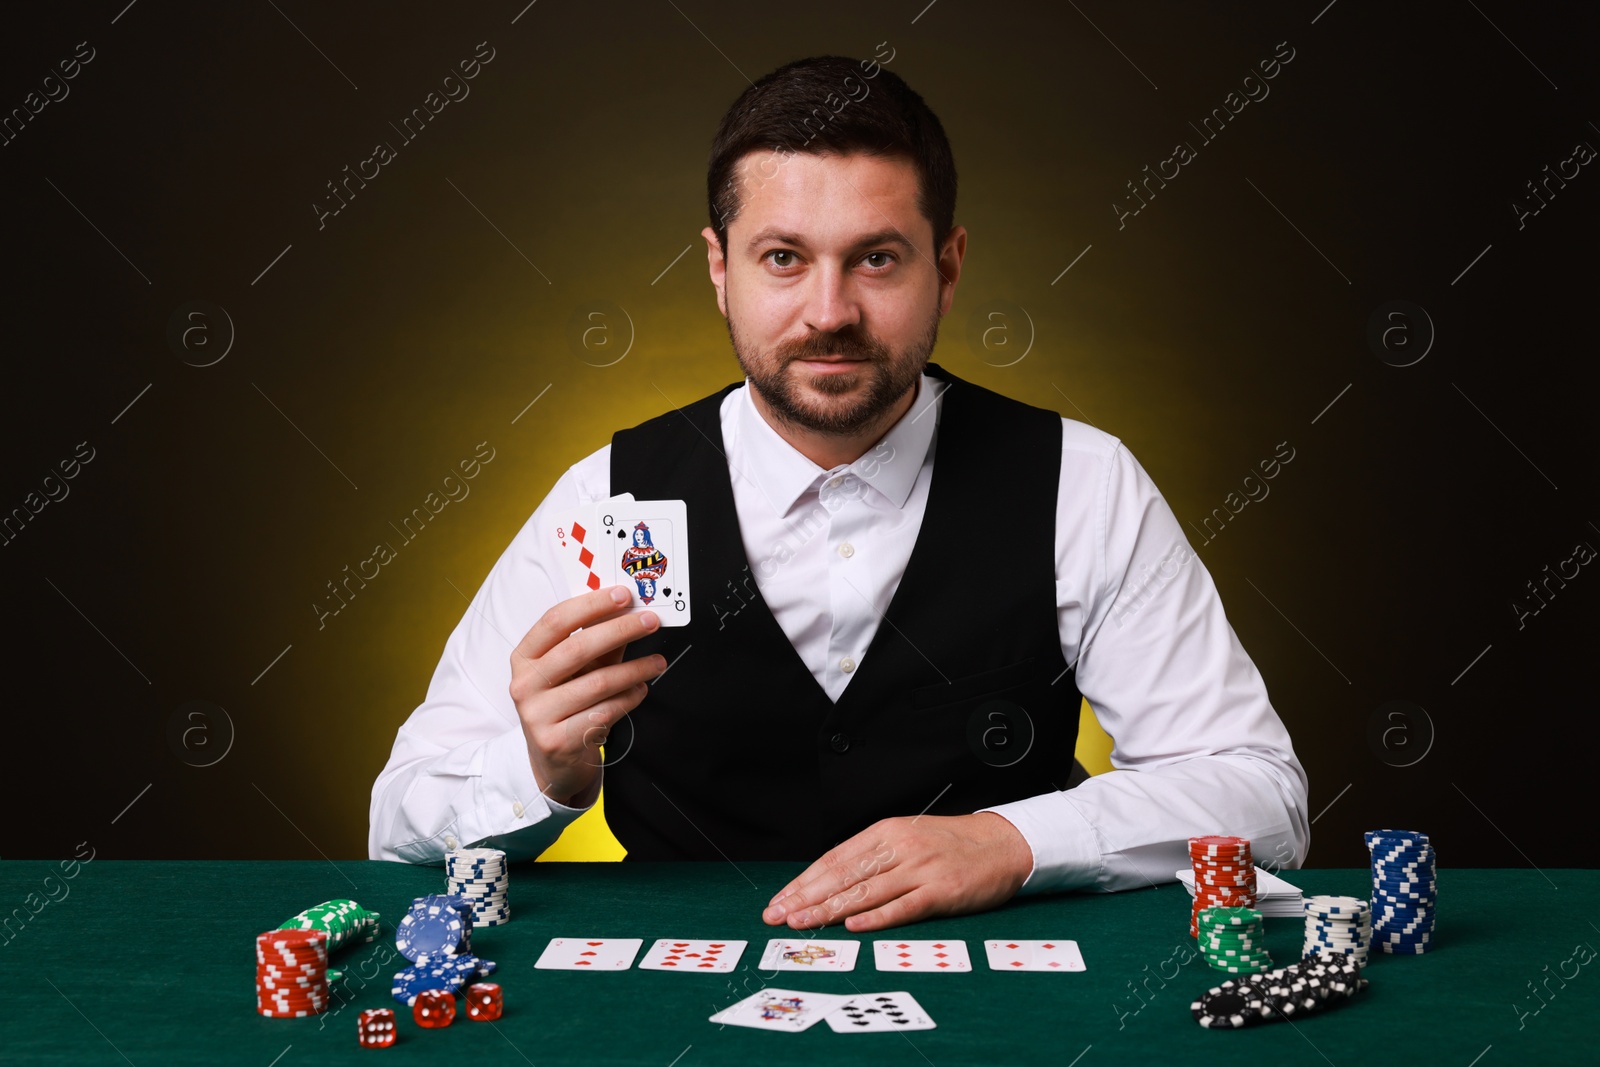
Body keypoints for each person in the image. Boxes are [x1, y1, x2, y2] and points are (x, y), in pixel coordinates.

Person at [370, 55, 1308, 933]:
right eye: (783, 257)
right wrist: (540, 775)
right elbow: (400, 816)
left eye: (877, 258)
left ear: (947, 267)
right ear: (717, 268)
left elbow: (1260, 794)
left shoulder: (1084, 481)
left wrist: (1014, 840)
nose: (830, 312)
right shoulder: (606, 497)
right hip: (666, 999)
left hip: (1001, 1003)